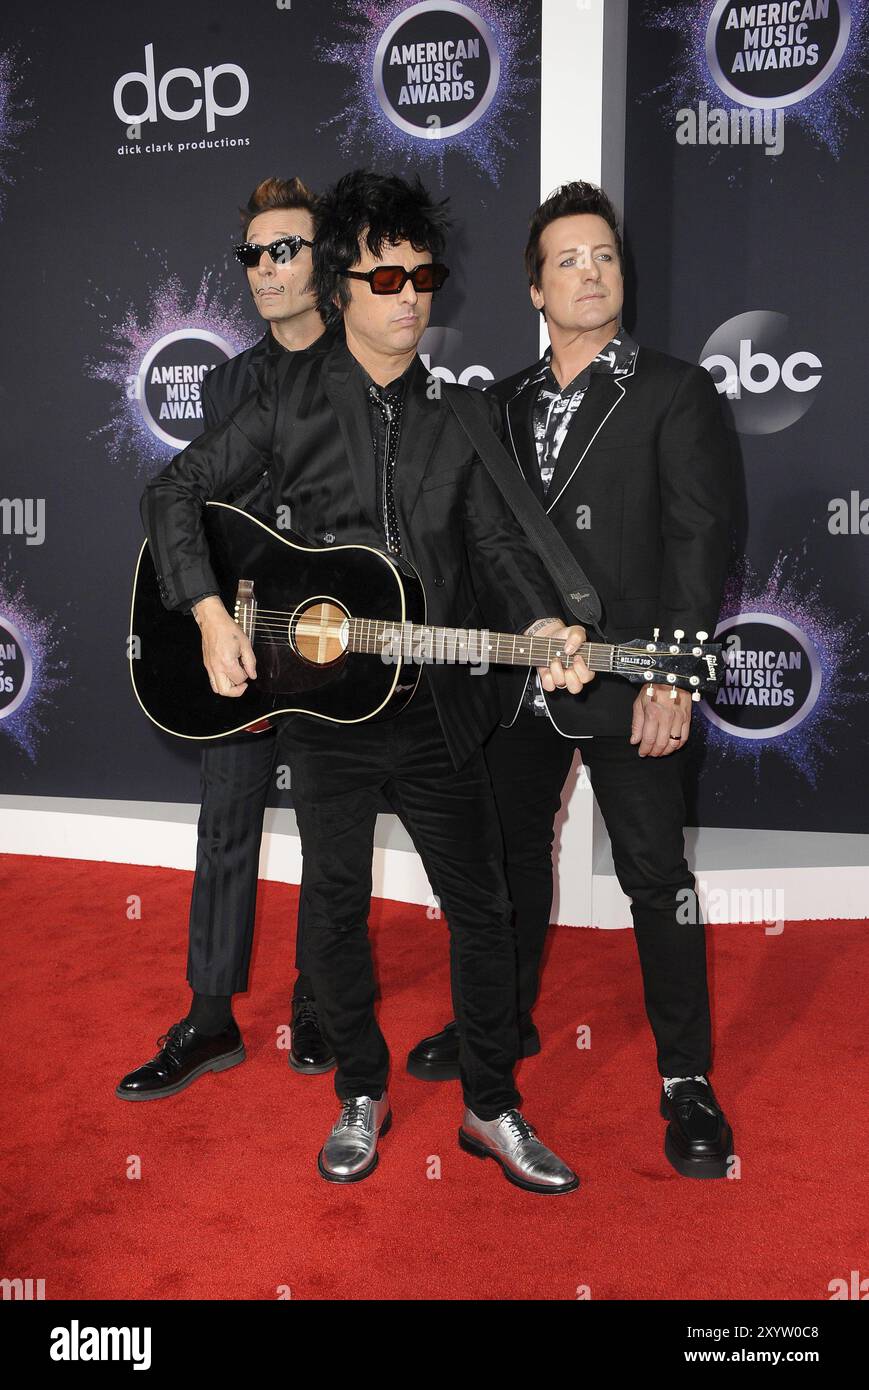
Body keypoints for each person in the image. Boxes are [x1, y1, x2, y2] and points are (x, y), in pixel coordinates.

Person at [133, 169, 597, 1193]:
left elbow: (500, 546)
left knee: (482, 909)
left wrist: (545, 621)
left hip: (435, 708)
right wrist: (209, 611)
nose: (410, 294)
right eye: (387, 274)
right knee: (333, 910)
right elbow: (174, 490)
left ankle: (490, 1105)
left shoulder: (462, 415)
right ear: (341, 283)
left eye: (423, 274)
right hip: (325, 710)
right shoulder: (286, 400)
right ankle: (359, 1088)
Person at [407, 181, 737, 1180]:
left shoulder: (675, 392)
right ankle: (496, 1033)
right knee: (504, 871)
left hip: (630, 682)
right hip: (515, 687)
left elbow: (697, 539)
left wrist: (672, 676)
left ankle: (685, 1078)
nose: (591, 271)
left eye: (604, 255)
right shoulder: (496, 405)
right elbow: (480, 545)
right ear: (534, 288)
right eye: (568, 260)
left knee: (655, 880)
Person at [117, 176, 335, 1105]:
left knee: (334, 827)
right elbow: (205, 510)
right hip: (243, 637)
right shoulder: (229, 381)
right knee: (225, 822)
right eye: (253, 253)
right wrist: (211, 614)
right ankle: (209, 1020)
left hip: (335, 638)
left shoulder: (367, 364)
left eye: (286, 248)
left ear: (326, 259)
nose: (266, 268)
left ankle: (323, 998)